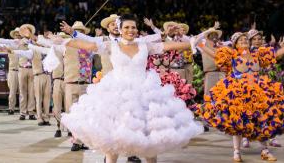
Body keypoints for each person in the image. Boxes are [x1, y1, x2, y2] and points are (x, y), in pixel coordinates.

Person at [55, 14, 206, 163]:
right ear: (120, 29)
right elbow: (89, 45)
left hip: (144, 95)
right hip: (117, 96)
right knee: (112, 144)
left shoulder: (144, 45)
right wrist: (64, 41)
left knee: (150, 142)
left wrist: (193, 42)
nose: (130, 30)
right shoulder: (111, 45)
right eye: (126, 27)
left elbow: (170, 46)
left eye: (133, 27)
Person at [198, 31, 284, 162]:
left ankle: (265, 150)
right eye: (241, 40)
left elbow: (276, 54)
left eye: (245, 39)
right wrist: (201, 45)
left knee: (261, 121)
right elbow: (215, 55)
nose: (244, 41)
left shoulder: (257, 54)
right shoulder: (231, 55)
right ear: (235, 44)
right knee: (238, 123)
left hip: (258, 93)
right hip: (238, 95)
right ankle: (236, 152)